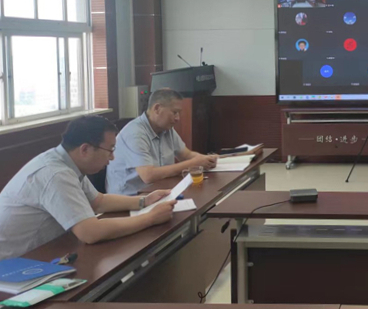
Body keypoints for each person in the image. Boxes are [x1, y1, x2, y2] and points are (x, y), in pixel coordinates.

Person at [0, 116, 175, 260]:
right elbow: (90, 233)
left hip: (41, 252)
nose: (112, 158)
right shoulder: (56, 174)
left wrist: (144, 201)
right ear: (85, 149)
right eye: (110, 150)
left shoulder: (66, 162)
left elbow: (98, 201)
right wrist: (150, 218)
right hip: (12, 266)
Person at [107, 89, 217, 195]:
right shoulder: (135, 134)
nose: (178, 118)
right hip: (131, 198)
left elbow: (186, 155)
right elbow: (148, 175)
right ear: (157, 108)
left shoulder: (167, 129)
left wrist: (206, 159)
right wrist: (193, 163)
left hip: (158, 191)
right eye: (175, 112)